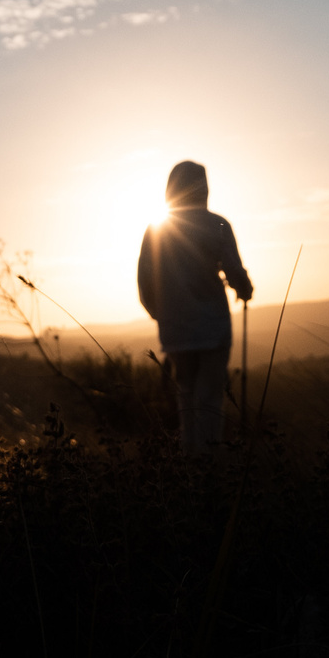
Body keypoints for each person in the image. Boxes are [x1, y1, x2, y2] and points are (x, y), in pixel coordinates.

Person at [136, 160, 254, 453]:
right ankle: (208, 463)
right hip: (213, 328)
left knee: (186, 398)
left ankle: (190, 463)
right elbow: (235, 271)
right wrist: (245, 290)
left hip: (175, 331)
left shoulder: (156, 229)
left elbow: (145, 283)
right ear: (204, 188)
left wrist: (161, 315)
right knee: (210, 400)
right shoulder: (218, 224)